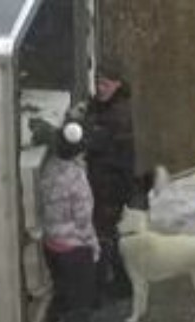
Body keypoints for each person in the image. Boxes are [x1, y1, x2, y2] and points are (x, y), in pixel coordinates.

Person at [38, 121, 102, 322]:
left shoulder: (49, 168)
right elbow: (83, 219)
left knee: (61, 300)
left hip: (53, 244)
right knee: (77, 305)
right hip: (75, 249)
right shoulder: (76, 179)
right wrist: (93, 246)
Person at [79, 59, 138, 301]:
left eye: (105, 83)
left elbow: (94, 141)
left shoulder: (118, 115)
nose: (100, 88)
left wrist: (64, 135)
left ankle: (109, 285)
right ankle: (118, 282)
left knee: (104, 236)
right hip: (105, 182)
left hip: (110, 185)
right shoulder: (106, 105)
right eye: (98, 83)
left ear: (117, 84)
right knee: (107, 235)